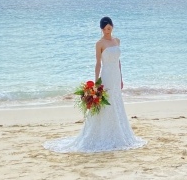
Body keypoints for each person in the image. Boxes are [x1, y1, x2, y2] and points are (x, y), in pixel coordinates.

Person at [44, 16, 146, 153]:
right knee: (106, 103)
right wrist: (96, 81)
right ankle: (101, 133)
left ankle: (118, 132)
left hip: (115, 77)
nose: (107, 29)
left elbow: (118, 62)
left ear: (112, 26)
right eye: (105, 27)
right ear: (102, 29)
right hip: (106, 76)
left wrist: (121, 78)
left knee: (116, 102)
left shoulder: (117, 41)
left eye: (109, 26)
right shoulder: (99, 43)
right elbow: (98, 63)